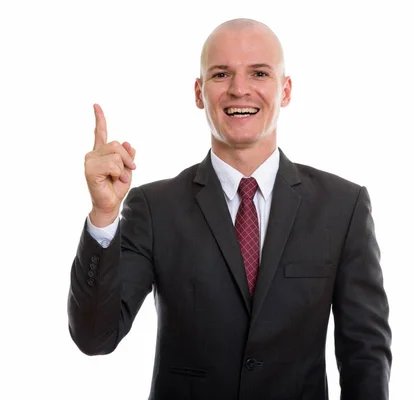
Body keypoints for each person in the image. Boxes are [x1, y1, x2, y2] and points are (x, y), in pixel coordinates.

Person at [68, 18, 392, 400]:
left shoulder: (342, 207)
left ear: (285, 90)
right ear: (199, 92)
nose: (240, 90)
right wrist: (104, 216)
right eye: (221, 74)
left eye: (259, 73)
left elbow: (365, 355)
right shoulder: (155, 208)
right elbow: (95, 337)